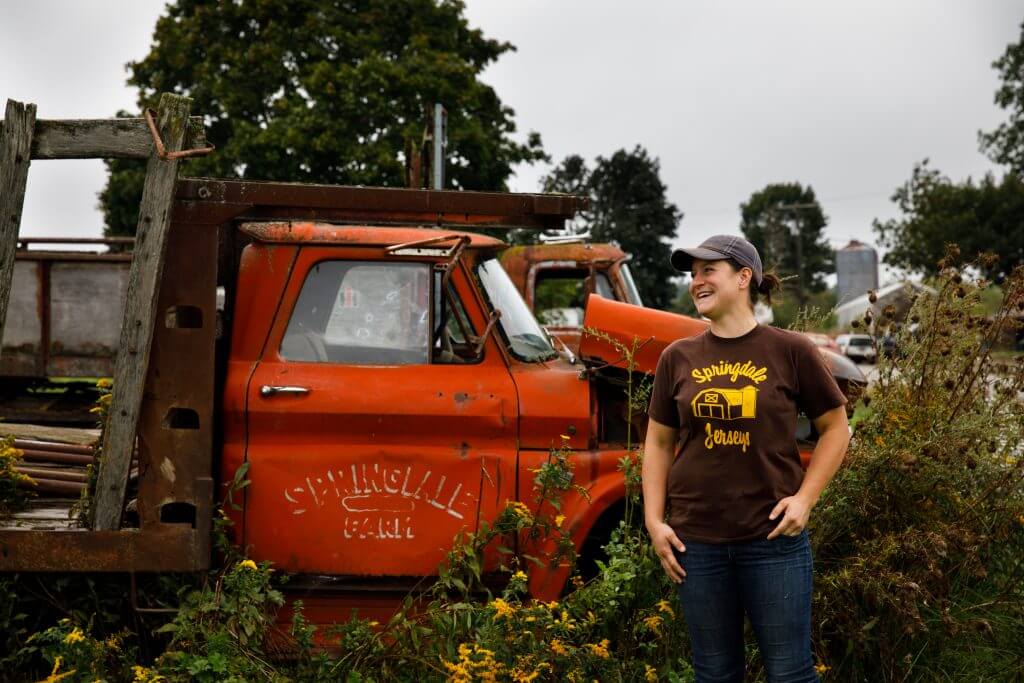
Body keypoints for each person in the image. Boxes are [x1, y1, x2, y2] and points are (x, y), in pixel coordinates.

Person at [643, 235, 851, 683]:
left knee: (790, 673)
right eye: (692, 274)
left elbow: (837, 429)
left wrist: (805, 500)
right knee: (715, 674)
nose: (696, 281)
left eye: (707, 270)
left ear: (743, 278)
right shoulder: (676, 358)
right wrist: (654, 522)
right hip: (694, 545)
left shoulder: (790, 350)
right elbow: (658, 444)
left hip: (773, 541)